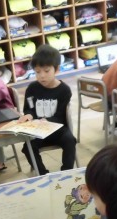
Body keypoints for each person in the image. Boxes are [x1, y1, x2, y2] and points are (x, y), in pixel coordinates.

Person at [17, 44, 76, 175]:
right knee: (28, 147)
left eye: (46, 71)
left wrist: (47, 121)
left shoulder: (64, 90)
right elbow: (29, 109)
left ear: (57, 69)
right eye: (37, 72)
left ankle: (66, 174)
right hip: (38, 131)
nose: (42, 76)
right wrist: (29, 115)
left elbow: (60, 116)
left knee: (70, 140)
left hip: (58, 130)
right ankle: (43, 175)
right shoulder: (32, 88)